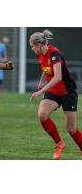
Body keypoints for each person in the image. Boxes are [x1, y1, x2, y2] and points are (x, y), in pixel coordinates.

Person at [30, 29, 82, 160]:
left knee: (71, 129)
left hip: (67, 92)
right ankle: (59, 144)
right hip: (53, 92)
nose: (32, 49)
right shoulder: (40, 54)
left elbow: (58, 76)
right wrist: (42, 81)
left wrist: (41, 91)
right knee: (42, 115)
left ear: (39, 44)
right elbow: (46, 68)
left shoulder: (54, 54)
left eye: (32, 46)